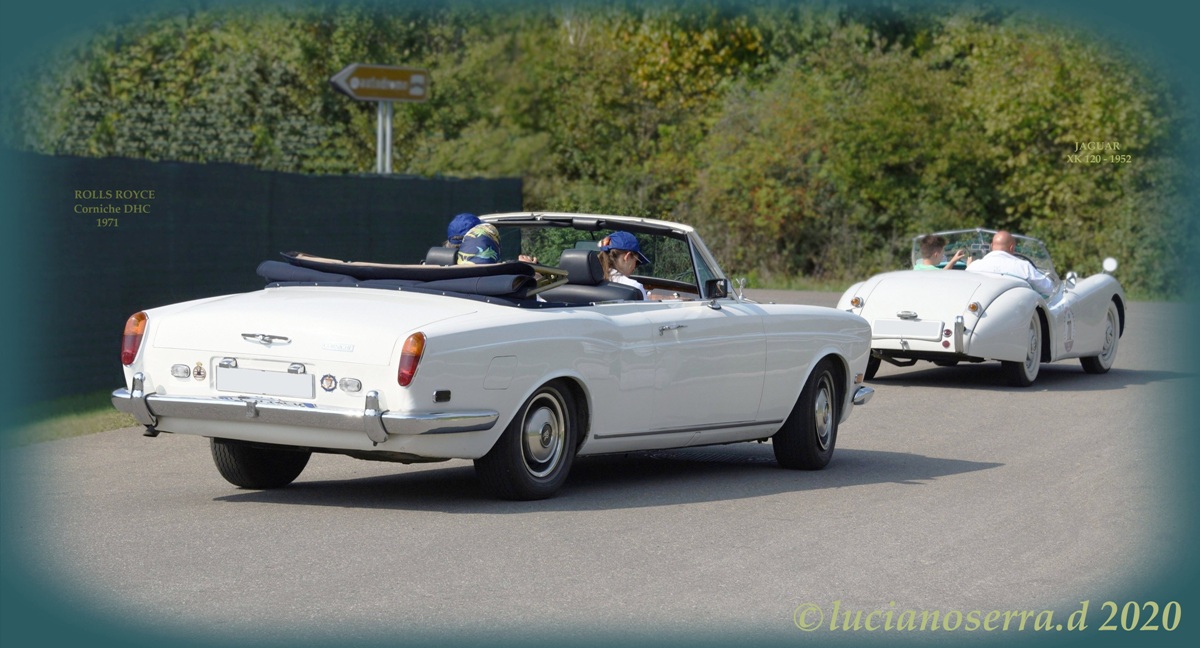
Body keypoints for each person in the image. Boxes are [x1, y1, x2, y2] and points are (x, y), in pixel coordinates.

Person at [965, 230, 1054, 296]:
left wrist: (969, 266)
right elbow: (1049, 288)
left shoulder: (974, 266)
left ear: (992, 246)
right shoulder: (1023, 267)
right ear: (1012, 248)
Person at [597, 231, 650, 299]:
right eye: (636, 262)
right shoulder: (634, 288)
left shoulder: (586, 282)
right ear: (627, 257)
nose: (635, 267)